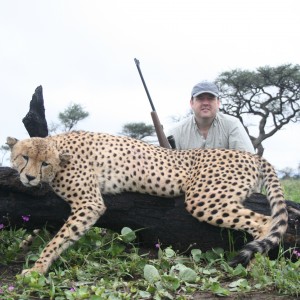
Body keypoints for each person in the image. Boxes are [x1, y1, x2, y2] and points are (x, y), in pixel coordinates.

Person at [168, 81, 255, 153]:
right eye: (200, 98)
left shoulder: (233, 125)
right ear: (191, 103)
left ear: (218, 102)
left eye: (210, 98)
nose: (205, 103)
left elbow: (249, 161)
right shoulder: (175, 132)